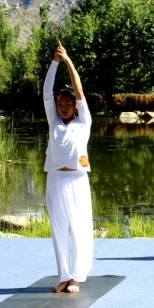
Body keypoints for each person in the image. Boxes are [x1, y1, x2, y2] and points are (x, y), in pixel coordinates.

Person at [43, 41, 93, 294]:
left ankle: (76, 276)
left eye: (68, 104)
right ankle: (63, 276)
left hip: (77, 179)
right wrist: (54, 63)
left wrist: (68, 61)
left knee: (79, 228)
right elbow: (46, 92)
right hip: (55, 179)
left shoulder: (83, 121)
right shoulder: (53, 120)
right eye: (60, 104)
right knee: (59, 229)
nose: (63, 107)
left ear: (75, 106)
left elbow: (79, 90)